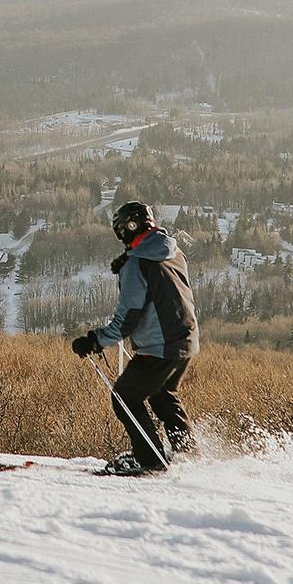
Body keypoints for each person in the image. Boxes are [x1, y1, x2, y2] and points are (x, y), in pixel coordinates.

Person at [72, 201, 197, 475]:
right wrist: (131, 257)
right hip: (186, 341)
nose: (120, 236)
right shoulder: (173, 251)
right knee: (161, 394)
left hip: (160, 346)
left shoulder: (136, 265)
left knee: (124, 396)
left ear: (127, 227)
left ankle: (149, 458)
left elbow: (127, 320)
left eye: (120, 230)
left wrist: (94, 341)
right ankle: (188, 453)